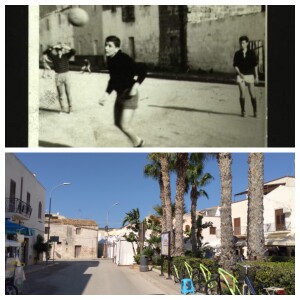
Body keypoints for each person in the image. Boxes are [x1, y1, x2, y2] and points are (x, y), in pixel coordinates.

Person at [98, 35, 147, 147]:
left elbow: (143, 70)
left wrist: (135, 86)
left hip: (130, 95)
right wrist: (106, 94)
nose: (106, 48)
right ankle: (137, 142)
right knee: (117, 123)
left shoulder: (124, 59)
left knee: (125, 125)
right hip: (120, 95)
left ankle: (138, 143)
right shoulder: (110, 59)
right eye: (105, 45)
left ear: (117, 48)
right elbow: (113, 80)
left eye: (109, 46)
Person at [44, 43, 76, 113]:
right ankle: (62, 108)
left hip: (66, 75)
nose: (59, 51)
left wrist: (66, 47)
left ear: (63, 50)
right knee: (60, 94)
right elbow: (46, 52)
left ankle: (70, 108)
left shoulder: (66, 56)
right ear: (56, 51)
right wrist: (53, 46)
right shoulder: (54, 57)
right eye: (58, 50)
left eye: (60, 50)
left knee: (68, 93)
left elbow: (73, 51)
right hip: (58, 76)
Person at [233, 36, 259, 117]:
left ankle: (255, 111)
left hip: (250, 75)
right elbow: (235, 65)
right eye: (240, 43)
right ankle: (243, 111)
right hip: (241, 76)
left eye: (243, 43)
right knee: (242, 94)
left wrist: (256, 76)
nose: (242, 44)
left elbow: (255, 66)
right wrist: (239, 73)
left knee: (252, 94)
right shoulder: (237, 54)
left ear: (247, 43)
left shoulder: (252, 53)